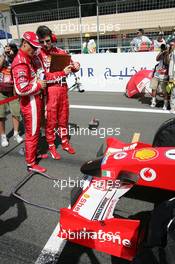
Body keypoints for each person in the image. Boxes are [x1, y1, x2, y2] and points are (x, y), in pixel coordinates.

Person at [36, 25, 80, 159]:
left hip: (63, 90)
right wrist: (62, 73)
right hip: (50, 92)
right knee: (51, 121)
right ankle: (51, 146)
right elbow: (43, 77)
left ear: (52, 38)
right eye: (42, 42)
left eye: (48, 41)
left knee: (63, 118)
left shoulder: (60, 51)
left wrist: (76, 66)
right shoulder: (37, 55)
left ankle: (65, 143)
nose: (45, 44)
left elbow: (71, 66)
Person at [11, 31, 47, 173]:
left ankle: (34, 154)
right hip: (29, 102)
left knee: (35, 131)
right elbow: (20, 88)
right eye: (33, 46)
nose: (35, 49)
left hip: (35, 99)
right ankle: (31, 164)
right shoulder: (20, 61)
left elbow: (37, 71)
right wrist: (38, 85)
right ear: (24, 43)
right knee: (32, 133)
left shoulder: (28, 57)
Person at [0, 42, 23, 147]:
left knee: (16, 113)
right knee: (1, 116)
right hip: (1, 91)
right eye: (8, 49)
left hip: (13, 92)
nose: (10, 51)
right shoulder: (2, 58)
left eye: (11, 49)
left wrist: (14, 55)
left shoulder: (17, 60)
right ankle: (3, 136)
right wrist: (4, 54)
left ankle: (16, 133)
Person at [150, 44, 169, 109]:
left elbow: (167, 62)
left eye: (164, 48)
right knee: (153, 88)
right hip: (156, 74)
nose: (163, 49)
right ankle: (153, 101)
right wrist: (161, 52)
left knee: (164, 91)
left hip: (164, 75)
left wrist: (166, 53)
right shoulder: (161, 53)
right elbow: (157, 59)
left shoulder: (168, 54)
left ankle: (165, 104)